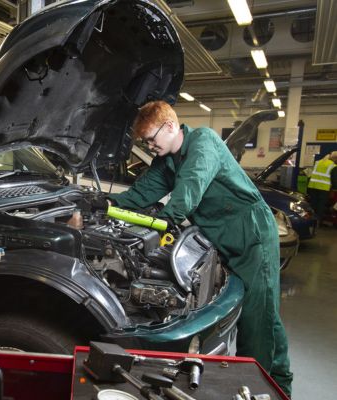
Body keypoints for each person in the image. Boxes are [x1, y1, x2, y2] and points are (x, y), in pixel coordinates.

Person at [102, 100, 293, 396]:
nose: (150, 145)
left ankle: (263, 387)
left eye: (151, 139)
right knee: (261, 310)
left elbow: (189, 189)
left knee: (259, 317)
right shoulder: (167, 159)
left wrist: (164, 222)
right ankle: (276, 380)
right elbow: (143, 191)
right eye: (145, 142)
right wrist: (107, 204)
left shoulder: (204, 141)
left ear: (170, 126)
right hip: (221, 236)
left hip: (250, 235)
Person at [307, 151, 337, 223]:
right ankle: (317, 222)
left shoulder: (318, 162)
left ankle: (310, 221)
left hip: (312, 186)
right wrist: (335, 189)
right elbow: (334, 179)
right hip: (323, 188)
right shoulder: (333, 165)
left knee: (313, 204)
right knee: (321, 206)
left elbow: (310, 174)